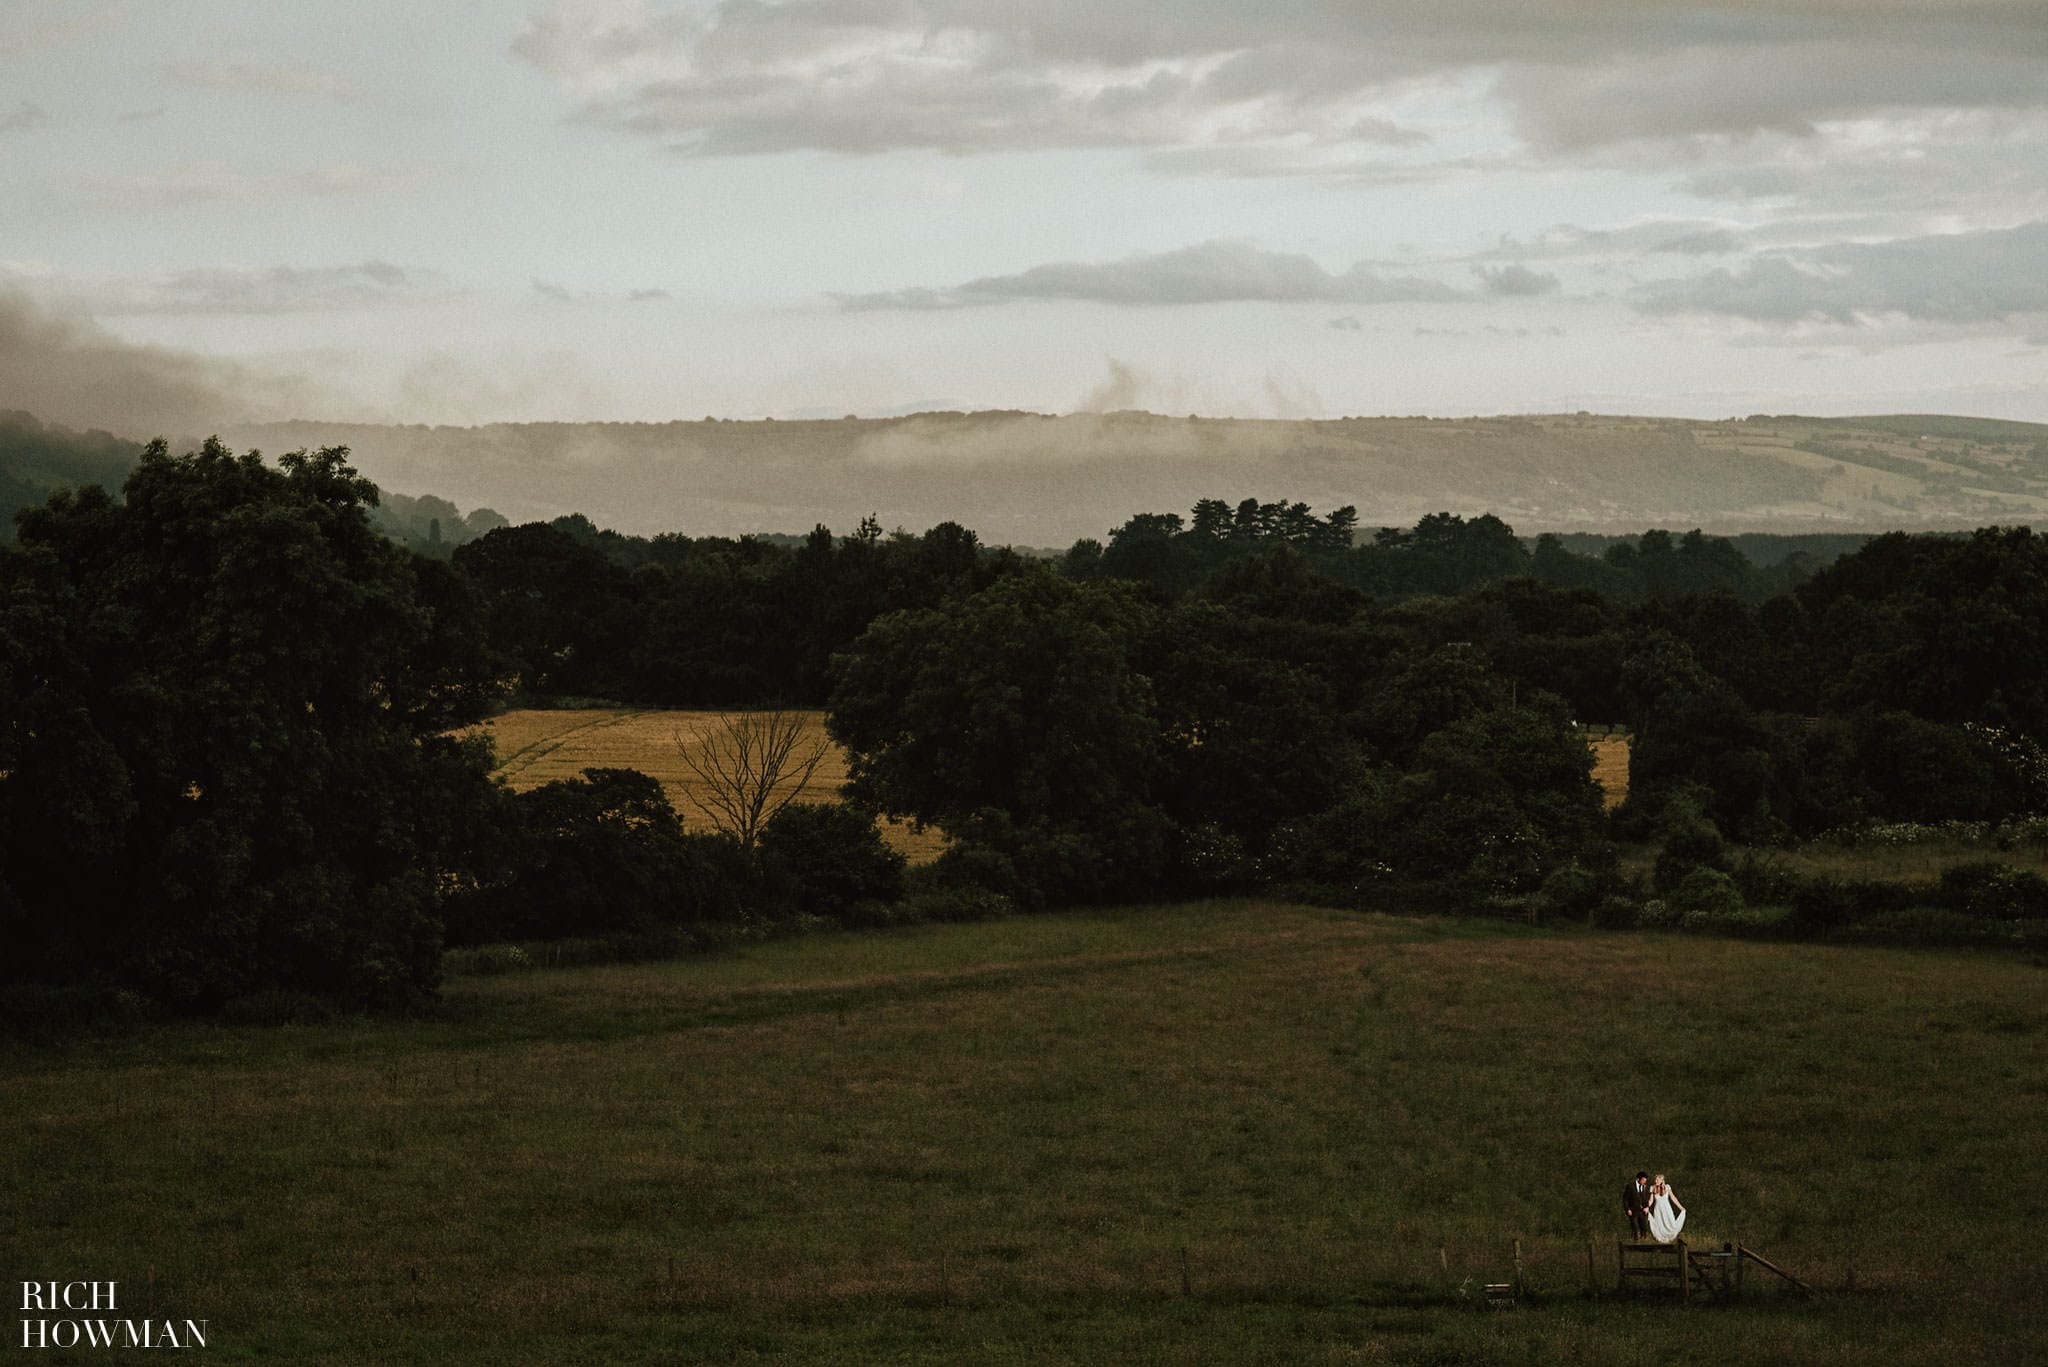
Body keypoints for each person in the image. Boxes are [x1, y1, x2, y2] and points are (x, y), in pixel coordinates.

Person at [1646, 1174, 1687, 1243]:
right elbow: (1651, 1200)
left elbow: (1673, 1198)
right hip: (1658, 1210)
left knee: (1671, 1223)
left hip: (1667, 1209)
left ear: (1662, 1181)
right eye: (1655, 1180)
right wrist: (1647, 1207)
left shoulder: (1667, 1187)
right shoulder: (1652, 1188)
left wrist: (1681, 1207)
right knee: (1659, 1224)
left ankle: (1671, 1239)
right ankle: (1660, 1240)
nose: (1656, 1181)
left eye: (1658, 1180)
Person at [1623, 1170, 1651, 1240]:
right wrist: (1628, 1209)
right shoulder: (1630, 1186)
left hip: (1643, 1211)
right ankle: (1636, 1241)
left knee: (1644, 1227)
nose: (1644, 1182)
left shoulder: (1645, 1187)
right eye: (1643, 1180)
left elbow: (1646, 1198)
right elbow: (1625, 1199)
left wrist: (1647, 1207)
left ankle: (1643, 1240)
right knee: (1635, 1227)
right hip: (1633, 1210)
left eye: (1645, 1180)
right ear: (1638, 1179)